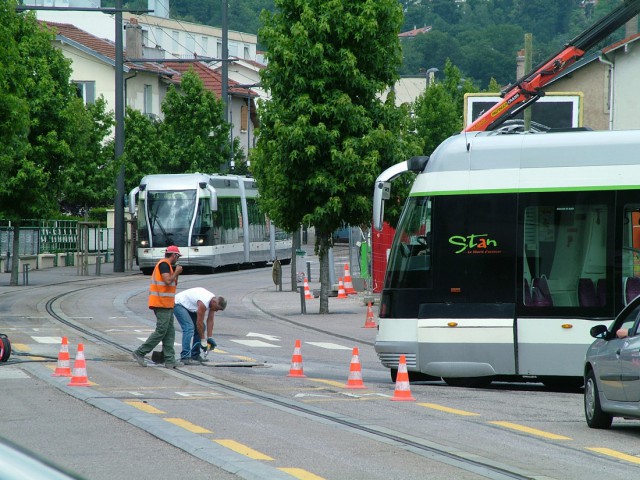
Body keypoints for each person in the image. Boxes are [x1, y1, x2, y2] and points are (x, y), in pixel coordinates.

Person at [132, 246, 183, 368]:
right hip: (161, 303)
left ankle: (169, 360)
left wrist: (176, 273)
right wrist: (177, 272)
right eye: (178, 256)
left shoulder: (168, 266)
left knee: (169, 332)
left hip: (167, 304)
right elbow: (167, 281)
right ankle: (140, 352)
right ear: (174, 255)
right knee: (161, 331)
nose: (178, 259)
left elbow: (172, 283)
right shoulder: (164, 265)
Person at [173, 287, 226, 364]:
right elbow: (199, 323)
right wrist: (203, 340)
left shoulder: (213, 302)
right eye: (217, 308)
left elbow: (210, 320)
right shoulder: (204, 303)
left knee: (202, 327)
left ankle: (195, 355)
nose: (216, 311)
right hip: (178, 304)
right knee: (189, 328)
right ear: (214, 302)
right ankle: (185, 356)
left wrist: (210, 337)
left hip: (189, 306)